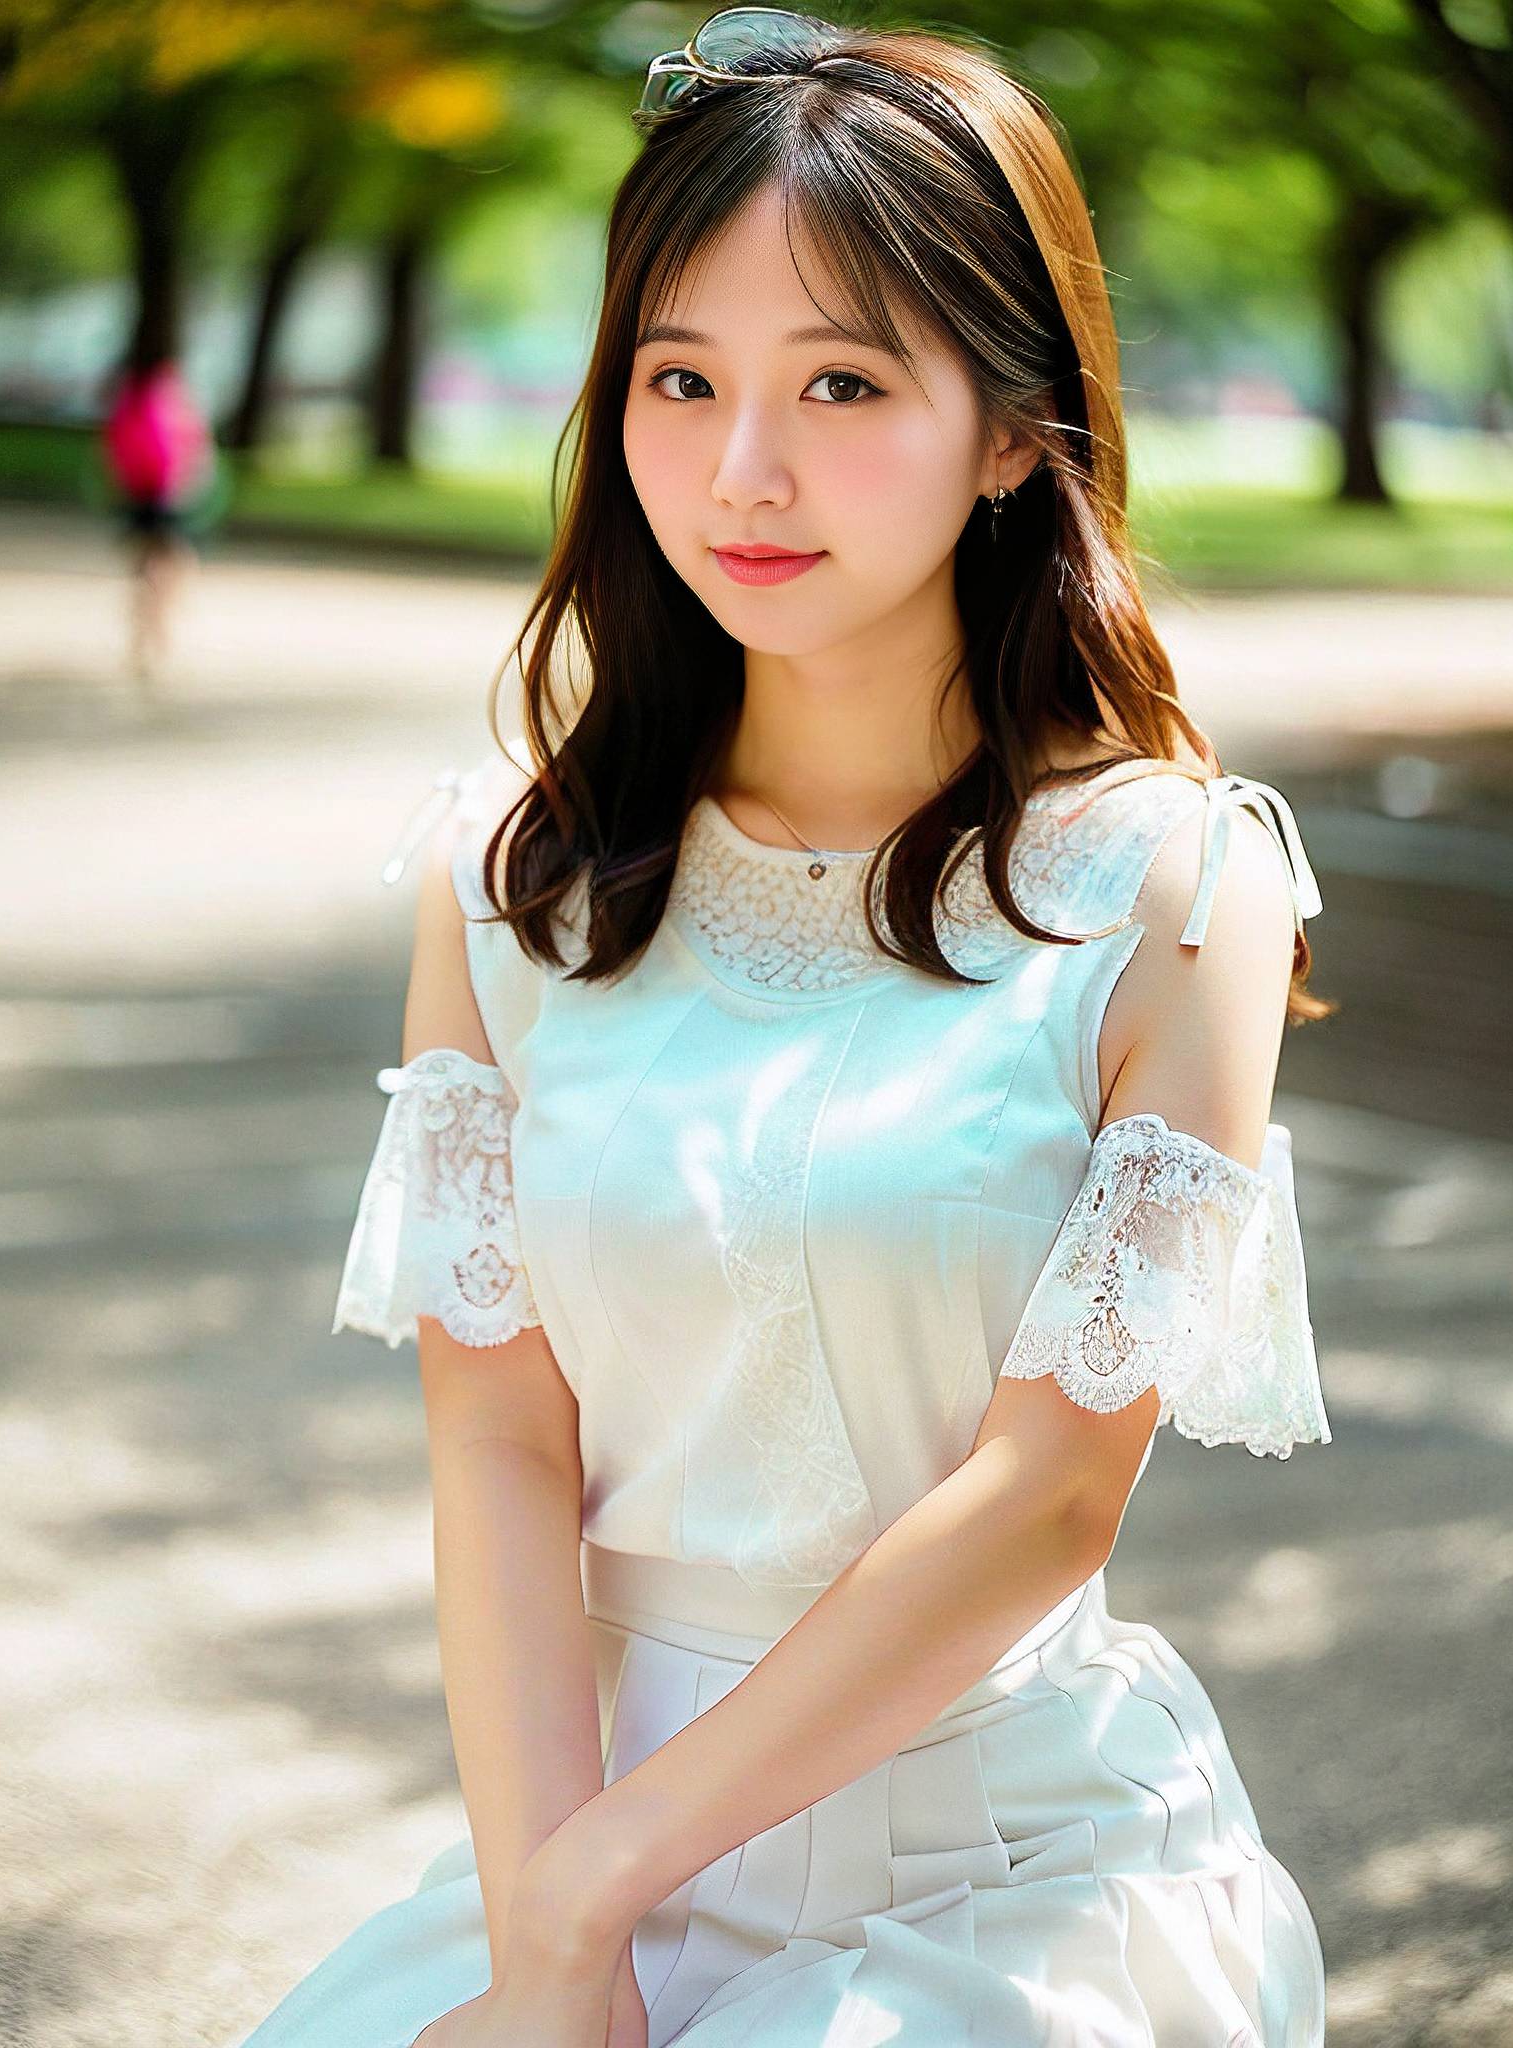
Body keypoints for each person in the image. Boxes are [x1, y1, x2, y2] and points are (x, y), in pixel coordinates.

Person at [234, 10, 1338, 2045]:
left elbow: (1050, 1492)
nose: (742, 469)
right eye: (680, 378)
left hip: (1010, 1878)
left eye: (841, 380)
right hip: (586, 1842)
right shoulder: (513, 879)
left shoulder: (1171, 889)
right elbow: (495, 1437)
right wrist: (547, 1928)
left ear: (1015, 425)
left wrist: (588, 1898)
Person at [100, 348, 214, 694]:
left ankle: (143, 635)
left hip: (137, 497)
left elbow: (112, 450)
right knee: (171, 565)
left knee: (147, 566)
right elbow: (192, 452)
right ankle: (157, 631)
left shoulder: (128, 401)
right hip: (166, 497)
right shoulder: (171, 400)